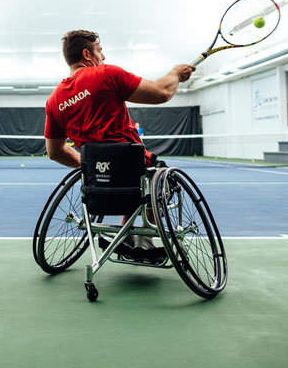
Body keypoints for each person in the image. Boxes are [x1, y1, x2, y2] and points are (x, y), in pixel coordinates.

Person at [44, 30, 194, 259]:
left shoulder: (54, 100)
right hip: (135, 173)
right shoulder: (105, 74)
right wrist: (175, 73)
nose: (103, 56)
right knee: (156, 174)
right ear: (87, 54)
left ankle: (125, 235)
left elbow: (54, 152)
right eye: (100, 50)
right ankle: (143, 238)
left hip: (98, 185)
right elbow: (161, 92)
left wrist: (89, 168)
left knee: (129, 175)